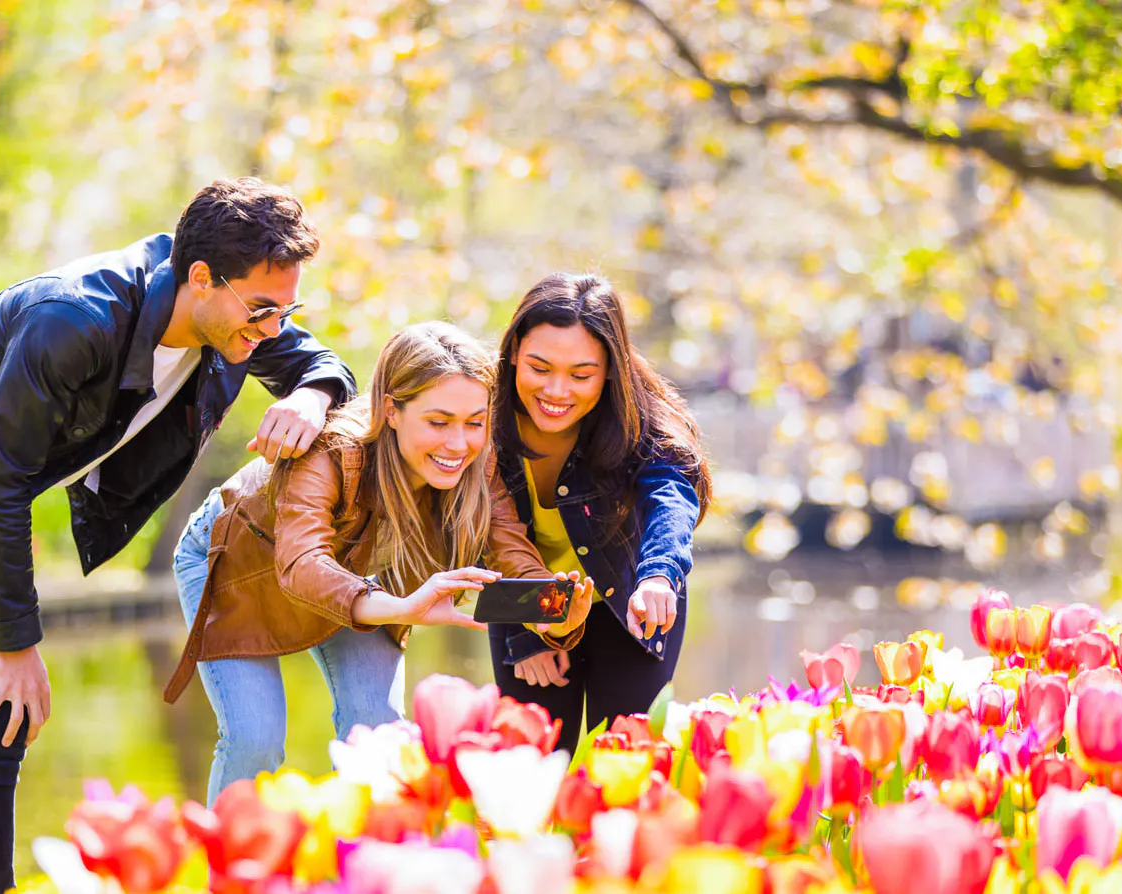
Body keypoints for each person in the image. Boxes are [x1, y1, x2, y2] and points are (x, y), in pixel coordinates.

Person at [0, 178, 356, 894]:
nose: (274, 328)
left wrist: (310, 393)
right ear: (202, 278)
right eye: (264, 309)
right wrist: (16, 641)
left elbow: (318, 363)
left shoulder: (228, 318)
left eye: (287, 310)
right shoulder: (77, 318)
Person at [163, 321, 593, 804]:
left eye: (475, 422)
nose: (459, 445)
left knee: (380, 731)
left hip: (358, 576)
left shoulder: (478, 464)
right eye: (438, 421)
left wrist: (556, 611)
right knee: (254, 740)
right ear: (391, 410)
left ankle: (361, 867)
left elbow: (510, 555)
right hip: (239, 565)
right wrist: (402, 607)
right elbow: (302, 564)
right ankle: (233, 873)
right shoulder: (330, 452)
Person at [487, 273, 711, 754]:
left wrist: (658, 577)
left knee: (623, 767)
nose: (556, 390)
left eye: (580, 374)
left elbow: (670, 498)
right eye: (539, 368)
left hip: (629, 601)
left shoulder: (639, 420)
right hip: (532, 601)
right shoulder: (481, 418)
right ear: (512, 355)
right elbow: (485, 537)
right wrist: (525, 634)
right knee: (532, 770)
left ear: (611, 369)